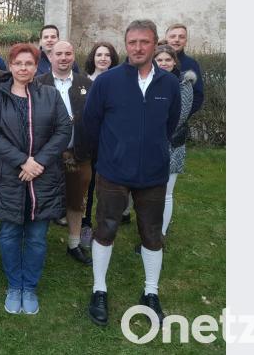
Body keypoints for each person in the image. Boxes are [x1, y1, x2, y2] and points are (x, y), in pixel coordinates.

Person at [83, 19, 180, 327]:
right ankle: (99, 288)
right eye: (133, 42)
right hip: (113, 171)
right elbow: (91, 124)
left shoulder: (169, 84)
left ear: (156, 45)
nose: (138, 48)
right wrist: (107, 157)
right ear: (126, 45)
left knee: (152, 233)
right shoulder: (107, 81)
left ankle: (151, 292)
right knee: (106, 228)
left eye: (145, 42)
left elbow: (170, 124)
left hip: (153, 173)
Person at [0, 43, 72, 314]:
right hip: (9, 175)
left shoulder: (49, 94)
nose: (23, 68)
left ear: (36, 67)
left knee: (36, 236)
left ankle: (29, 287)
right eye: (18, 63)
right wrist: (22, 160)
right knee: (9, 233)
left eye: (29, 64)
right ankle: (14, 285)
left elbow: (63, 129)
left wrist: (39, 162)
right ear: (10, 66)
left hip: (43, 177)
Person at [36, 41, 95, 266]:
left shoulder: (86, 84)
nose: (63, 57)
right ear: (49, 57)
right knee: (41, 198)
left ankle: (73, 243)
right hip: (45, 154)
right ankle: (36, 243)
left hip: (77, 152)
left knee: (76, 199)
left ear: (73, 57)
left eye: (67, 53)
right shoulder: (38, 83)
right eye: (58, 53)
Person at [146, 45, 197, 246]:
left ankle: (160, 235)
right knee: (150, 193)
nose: (164, 63)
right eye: (160, 60)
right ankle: (149, 230)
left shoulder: (183, 85)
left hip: (171, 146)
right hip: (149, 146)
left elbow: (178, 118)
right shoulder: (149, 82)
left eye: (168, 60)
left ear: (175, 62)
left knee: (166, 193)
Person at [80, 41, 120, 247]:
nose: (103, 58)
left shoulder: (118, 82)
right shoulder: (83, 82)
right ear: (92, 58)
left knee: (108, 187)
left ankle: (104, 226)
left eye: (107, 55)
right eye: (99, 55)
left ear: (112, 59)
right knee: (88, 184)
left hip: (110, 143)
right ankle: (85, 224)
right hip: (88, 142)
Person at [165, 23, 204, 116]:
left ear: (186, 41)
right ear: (166, 39)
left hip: (180, 123)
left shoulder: (191, 64)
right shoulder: (154, 61)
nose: (177, 40)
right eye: (173, 36)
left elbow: (198, 96)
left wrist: (181, 116)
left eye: (181, 37)